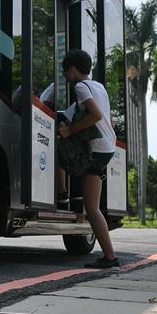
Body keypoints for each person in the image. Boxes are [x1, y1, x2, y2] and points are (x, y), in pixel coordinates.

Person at [56, 49, 119, 269]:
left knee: (55, 146)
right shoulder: (98, 86)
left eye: (65, 71)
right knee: (93, 207)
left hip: (97, 149)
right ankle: (109, 256)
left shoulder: (81, 87)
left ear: (73, 68)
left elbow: (96, 116)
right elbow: (107, 118)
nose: (65, 76)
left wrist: (70, 130)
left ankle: (61, 195)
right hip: (107, 147)